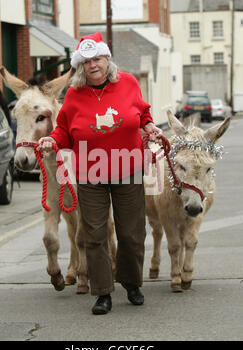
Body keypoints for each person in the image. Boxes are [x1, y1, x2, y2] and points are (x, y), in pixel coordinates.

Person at [38, 32, 162, 315]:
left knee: (131, 233)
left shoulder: (128, 83)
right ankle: (103, 292)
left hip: (127, 168)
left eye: (98, 59)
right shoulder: (74, 95)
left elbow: (142, 114)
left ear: (107, 59)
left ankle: (131, 283)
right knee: (94, 234)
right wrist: (52, 141)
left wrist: (150, 126)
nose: (93, 65)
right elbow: (63, 130)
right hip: (91, 173)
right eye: (87, 61)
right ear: (80, 67)